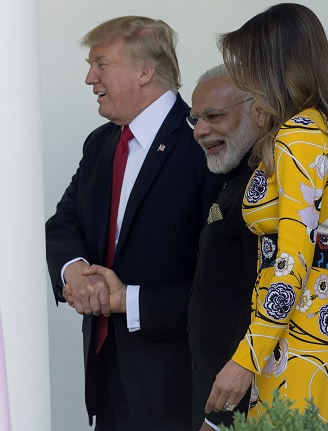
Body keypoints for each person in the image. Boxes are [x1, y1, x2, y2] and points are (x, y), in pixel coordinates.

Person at [45, 16, 221, 431]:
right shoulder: (101, 143)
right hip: (105, 374)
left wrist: (132, 301)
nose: (90, 78)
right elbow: (64, 221)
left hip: (175, 388)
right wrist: (76, 272)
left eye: (101, 64)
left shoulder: (204, 144)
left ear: (146, 71)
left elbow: (221, 281)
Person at [205, 3, 328, 423]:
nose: (243, 79)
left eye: (247, 66)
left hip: (295, 340)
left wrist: (246, 358)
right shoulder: (325, 128)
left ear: (272, 67)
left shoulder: (299, 133)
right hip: (321, 324)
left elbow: (293, 255)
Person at [186, 64, 262, 431]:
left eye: (214, 116)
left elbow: (262, 298)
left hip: (240, 405)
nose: (200, 131)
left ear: (258, 110)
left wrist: (219, 419)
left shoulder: (262, 188)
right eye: (195, 119)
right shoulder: (232, 177)